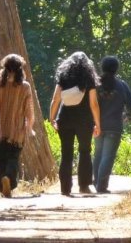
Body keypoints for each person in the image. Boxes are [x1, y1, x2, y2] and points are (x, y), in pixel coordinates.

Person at [0, 54, 35, 198]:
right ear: (20, 69)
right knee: (13, 157)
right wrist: (29, 127)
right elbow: (29, 110)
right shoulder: (25, 87)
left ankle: (2, 184)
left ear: (5, 69)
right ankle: (9, 180)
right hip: (17, 131)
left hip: (1, 129)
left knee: (1, 158)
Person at [49, 52, 101, 196]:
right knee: (85, 151)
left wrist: (52, 118)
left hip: (65, 119)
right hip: (84, 120)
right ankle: (84, 186)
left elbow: (55, 99)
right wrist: (98, 124)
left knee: (66, 153)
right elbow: (94, 104)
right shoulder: (89, 78)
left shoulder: (63, 77)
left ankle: (65, 188)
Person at [93, 56, 131, 193]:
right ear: (116, 69)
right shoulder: (122, 85)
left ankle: (95, 184)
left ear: (102, 67)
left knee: (98, 154)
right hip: (114, 127)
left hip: (97, 125)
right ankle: (102, 186)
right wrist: (128, 117)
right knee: (107, 156)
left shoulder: (95, 85)